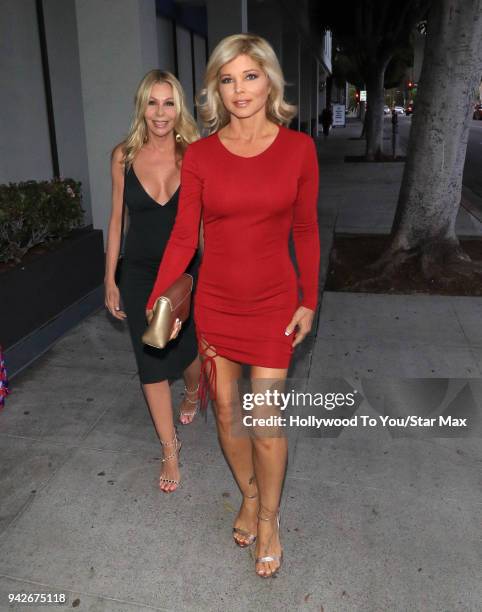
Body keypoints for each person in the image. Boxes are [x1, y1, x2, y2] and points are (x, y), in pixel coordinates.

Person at [146, 34, 320, 577]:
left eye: (250, 75)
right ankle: (247, 494)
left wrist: (308, 300)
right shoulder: (198, 155)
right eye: (228, 78)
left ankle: (269, 518)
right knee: (225, 411)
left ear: (269, 80)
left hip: (273, 308)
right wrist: (160, 294)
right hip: (217, 307)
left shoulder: (298, 150)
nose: (240, 89)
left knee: (264, 420)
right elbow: (182, 237)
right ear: (215, 89)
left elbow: (307, 230)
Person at [105, 70, 201, 494]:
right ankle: (169, 447)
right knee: (150, 358)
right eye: (152, 102)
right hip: (141, 271)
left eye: (168, 103)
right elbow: (116, 221)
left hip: (185, 270)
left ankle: (195, 391)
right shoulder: (123, 156)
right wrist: (110, 277)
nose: (160, 113)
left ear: (178, 108)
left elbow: (206, 224)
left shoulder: (194, 155)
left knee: (188, 350)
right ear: (141, 106)